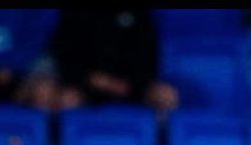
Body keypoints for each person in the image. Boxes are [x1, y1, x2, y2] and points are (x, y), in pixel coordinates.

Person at [51, 9, 179, 115]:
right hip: (89, 85)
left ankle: (159, 144)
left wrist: (132, 84)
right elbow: (67, 57)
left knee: (166, 96)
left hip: (132, 87)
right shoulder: (75, 14)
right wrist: (96, 80)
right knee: (65, 100)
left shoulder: (140, 14)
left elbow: (148, 59)